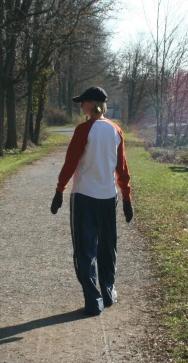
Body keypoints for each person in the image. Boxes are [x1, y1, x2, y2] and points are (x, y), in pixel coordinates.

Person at [50, 86, 133, 316]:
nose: (80, 105)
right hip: (108, 197)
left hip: (85, 197)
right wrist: (126, 197)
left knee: (85, 250)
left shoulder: (83, 130)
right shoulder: (116, 130)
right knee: (108, 247)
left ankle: (93, 299)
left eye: (83, 101)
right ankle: (107, 291)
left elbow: (71, 163)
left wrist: (60, 190)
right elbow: (122, 168)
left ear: (93, 104)